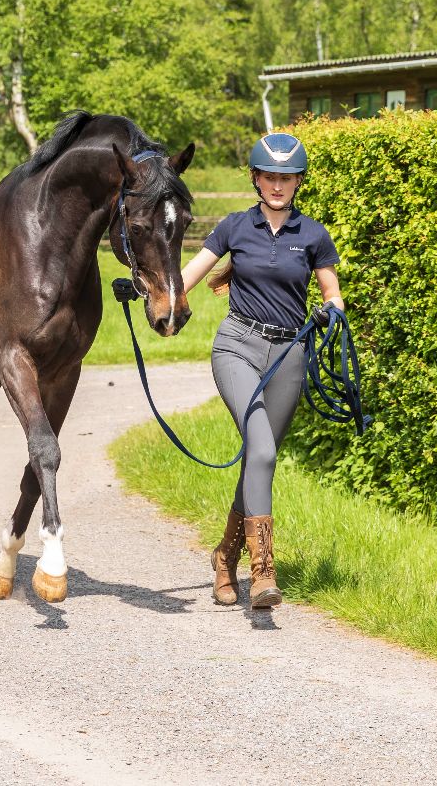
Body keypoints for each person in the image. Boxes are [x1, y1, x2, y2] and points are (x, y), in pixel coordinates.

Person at [178, 131, 343, 610]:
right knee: (263, 448)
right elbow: (186, 277)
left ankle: (225, 558)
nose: (277, 185)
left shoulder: (312, 235)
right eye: (269, 176)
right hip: (237, 347)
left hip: (289, 354)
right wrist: (151, 293)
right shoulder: (234, 227)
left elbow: (333, 294)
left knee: (258, 458)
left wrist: (330, 311)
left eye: (286, 178)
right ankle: (263, 569)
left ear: (298, 183)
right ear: (255, 178)